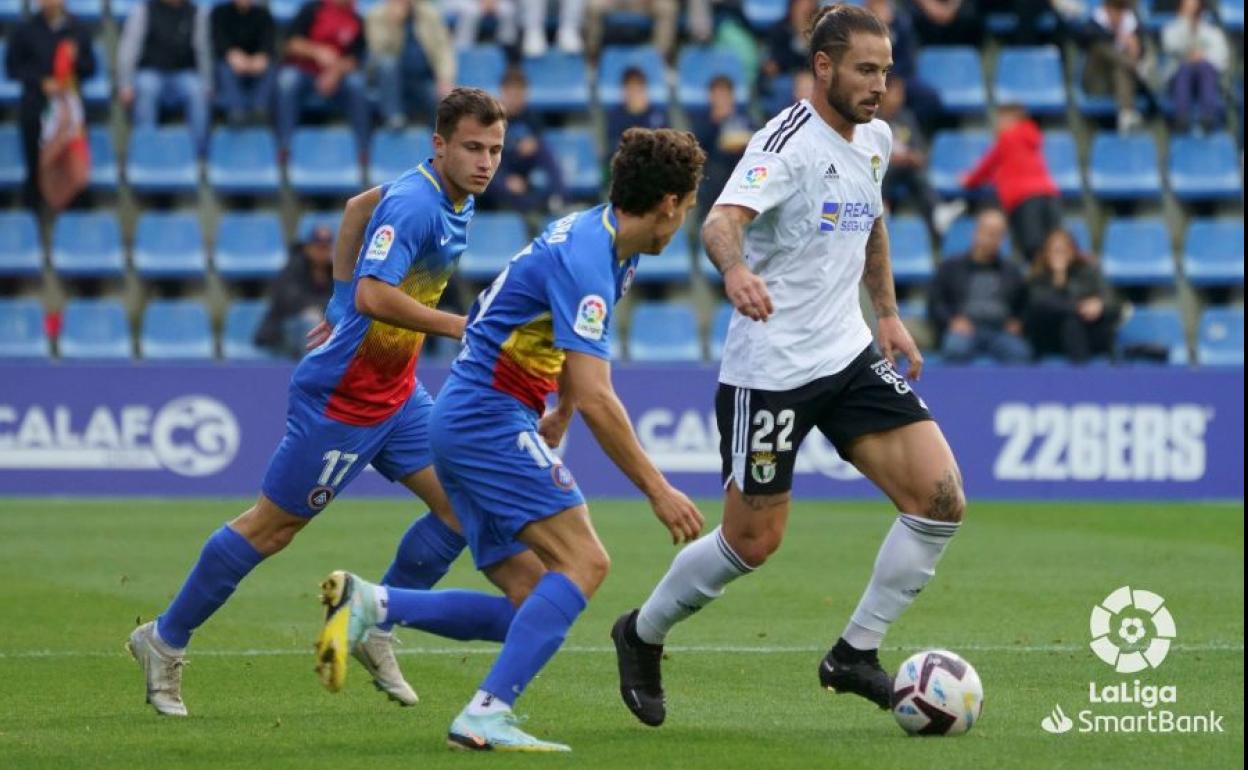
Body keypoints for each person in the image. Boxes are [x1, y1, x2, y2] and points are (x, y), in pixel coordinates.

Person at [611, 4, 966, 727]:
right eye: (866, 70)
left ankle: (855, 654)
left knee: (940, 499)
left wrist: (888, 313)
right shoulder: (786, 141)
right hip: (770, 370)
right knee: (752, 542)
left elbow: (870, 219)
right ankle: (641, 631)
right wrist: (737, 272)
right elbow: (720, 222)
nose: (879, 85)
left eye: (887, 71)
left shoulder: (875, 138)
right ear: (825, 66)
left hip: (847, 353)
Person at [125, 89, 533, 717]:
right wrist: (448, 324)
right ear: (440, 145)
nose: (486, 162)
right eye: (474, 148)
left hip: (395, 393)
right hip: (344, 398)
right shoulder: (420, 202)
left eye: (496, 150)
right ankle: (165, 638)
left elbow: (353, 210)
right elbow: (376, 294)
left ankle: (374, 623)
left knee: (462, 505)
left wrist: (339, 302)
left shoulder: (452, 194)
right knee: (272, 528)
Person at [313, 128, 707, 751]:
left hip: (474, 417)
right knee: (586, 562)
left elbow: (578, 357)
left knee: (530, 599)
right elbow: (602, 392)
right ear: (669, 204)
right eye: (687, 207)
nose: (684, 220)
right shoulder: (588, 256)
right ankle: (485, 713)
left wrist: (562, 412)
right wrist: (657, 490)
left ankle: (375, 604)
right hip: (485, 420)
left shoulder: (609, 247)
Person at [4, 0, 96, 210]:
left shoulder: (77, 29)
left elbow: (90, 68)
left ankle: (75, 214)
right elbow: (13, 68)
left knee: (74, 164)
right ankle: (34, 210)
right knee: (34, 162)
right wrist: (41, 82)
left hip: (70, 107)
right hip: (37, 103)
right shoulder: (25, 30)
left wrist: (76, 60)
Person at [927, 208, 1031, 364]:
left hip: (1000, 331)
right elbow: (935, 301)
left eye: (998, 234)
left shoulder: (1012, 270)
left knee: (1020, 353)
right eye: (988, 232)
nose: (992, 239)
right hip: (965, 329)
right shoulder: (950, 267)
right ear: (976, 232)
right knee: (955, 349)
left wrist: (1018, 321)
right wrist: (951, 321)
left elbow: (1025, 302)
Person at [960, 104, 1061, 263]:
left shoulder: (1009, 138)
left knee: (1032, 249)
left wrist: (968, 180)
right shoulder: (1031, 139)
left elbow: (987, 165)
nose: (998, 124)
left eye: (1001, 119)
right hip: (1049, 195)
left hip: (1024, 199)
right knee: (1055, 245)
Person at [275, 0, 370, 162]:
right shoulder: (312, 9)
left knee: (357, 84)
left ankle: (362, 150)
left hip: (337, 78)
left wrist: (335, 72)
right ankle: (285, 146)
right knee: (287, 80)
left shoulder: (356, 19)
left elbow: (355, 59)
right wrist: (316, 52)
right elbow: (290, 44)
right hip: (305, 71)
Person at [117, 0, 211, 157]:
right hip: (152, 72)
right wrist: (125, 84)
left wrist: (208, 83)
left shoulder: (197, 13)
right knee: (146, 87)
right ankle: (146, 151)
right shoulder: (143, 11)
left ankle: (198, 155)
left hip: (184, 73)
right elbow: (129, 50)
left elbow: (204, 51)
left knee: (198, 90)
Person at [1025, 228, 1122, 363]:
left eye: (1063, 250)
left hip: (1088, 333)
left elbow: (1112, 302)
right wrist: (1059, 279)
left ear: (1073, 251)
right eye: (1054, 251)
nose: (1059, 255)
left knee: (1079, 325)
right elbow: (1039, 305)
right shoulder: (1038, 277)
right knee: (1070, 322)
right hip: (1049, 337)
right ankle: (1081, 376)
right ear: (1045, 254)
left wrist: (1100, 305)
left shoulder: (1088, 271)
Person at [478, 68, 565, 214]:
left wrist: (533, 143)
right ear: (502, 92)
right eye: (512, 95)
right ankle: (537, 207)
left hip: (522, 172)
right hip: (496, 176)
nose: (516, 100)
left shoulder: (530, 116)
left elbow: (540, 149)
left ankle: (559, 197)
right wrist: (505, 181)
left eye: (520, 95)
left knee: (543, 148)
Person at [367, 0, 455, 130]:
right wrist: (395, 24)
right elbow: (379, 51)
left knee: (443, 102)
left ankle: (441, 143)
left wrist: (445, 78)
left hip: (423, 78)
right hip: (393, 81)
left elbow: (443, 49)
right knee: (388, 63)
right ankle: (394, 117)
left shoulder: (429, 14)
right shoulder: (377, 15)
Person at [253, 224, 335, 359]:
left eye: (326, 247)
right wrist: (319, 309)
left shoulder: (335, 273)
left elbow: (340, 301)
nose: (322, 252)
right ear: (307, 248)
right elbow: (289, 300)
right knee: (312, 320)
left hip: (322, 328)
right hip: (283, 331)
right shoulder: (293, 268)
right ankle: (312, 373)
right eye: (318, 247)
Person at [1081, 0, 1153, 134]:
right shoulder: (1093, 25)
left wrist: (1136, 48)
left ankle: (1126, 114)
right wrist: (1118, 38)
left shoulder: (1133, 25)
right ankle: (1136, 67)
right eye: (1113, 12)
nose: (1116, 17)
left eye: (1120, 13)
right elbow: (1085, 36)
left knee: (1121, 67)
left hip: (1123, 85)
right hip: (1098, 84)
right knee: (1100, 47)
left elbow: (1143, 46)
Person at [1161, 0, 1230, 133]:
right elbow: (1170, 45)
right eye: (1187, 8)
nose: (1191, 12)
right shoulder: (1172, 28)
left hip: (1205, 79)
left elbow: (1222, 56)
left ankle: (1207, 117)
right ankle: (1182, 117)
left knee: (1205, 67)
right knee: (1185, 68)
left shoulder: (1212, 31)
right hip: (1178, 79)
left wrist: (1202, 57)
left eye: (1194, 9)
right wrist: (1186, 25)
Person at [692, 75, 753, 222]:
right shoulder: (703, 123)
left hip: (741, 173)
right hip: (714, 177)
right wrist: (717, 123)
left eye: (725, 95)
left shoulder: (745, 121)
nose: (721, 100)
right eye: (717, 95)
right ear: (710, 97)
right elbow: (697, 151)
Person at [209, 0, 276, 126]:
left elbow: (268, 43)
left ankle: (260, 110)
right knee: (224, 68)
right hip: (231, 64)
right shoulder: (220, 13)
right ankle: (236, 111)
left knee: (271, 68)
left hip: (256, 65)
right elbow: (219, 42)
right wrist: (232, 55)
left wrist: (260, 57)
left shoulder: (263, 14)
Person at [586, 0, 678, 59]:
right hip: (615, 2)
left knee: (667, 7)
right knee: (594, 6)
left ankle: (658, 61)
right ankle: (593, 59)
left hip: (645, 3)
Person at [606, 67, 667, 152]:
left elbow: (666, 145)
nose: (635, 94)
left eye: (639, 89)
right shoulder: (615, 117)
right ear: (624, 92)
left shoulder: (658, 115)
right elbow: (613, 146)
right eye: (631, 89)